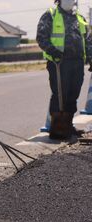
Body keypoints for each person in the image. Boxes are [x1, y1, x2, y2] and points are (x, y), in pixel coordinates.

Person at [36, 0, 92, 139]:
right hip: (59, 63)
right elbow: (41, 37)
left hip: (77, 62)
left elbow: (87, 40)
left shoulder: (79, 18)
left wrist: (91, 57)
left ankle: (68, 125)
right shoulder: (50, 15)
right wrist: (54, 52)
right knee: (60, 95)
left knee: (73, 94)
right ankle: (57, 130)